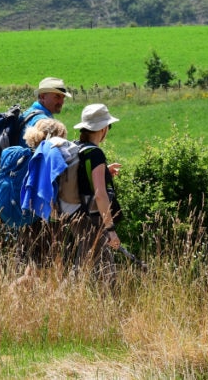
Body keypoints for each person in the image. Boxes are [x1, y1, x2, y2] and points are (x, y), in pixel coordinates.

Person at [73, 103, 122, 285]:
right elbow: (100, 194)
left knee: (83, 265)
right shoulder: (95, 154)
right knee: (107, 273)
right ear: (103, 128)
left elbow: (82, 181)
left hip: (74, 215)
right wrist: (111, 230)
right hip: (91, 219)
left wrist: (105, 172)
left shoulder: (76, 147)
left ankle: (66, 297)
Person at [15, 117, 69, 279]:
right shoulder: (50, 153)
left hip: (30, 216)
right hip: (45, 218)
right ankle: (10, 291)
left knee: (38, 266)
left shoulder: (35, 152)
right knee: (34, 271)